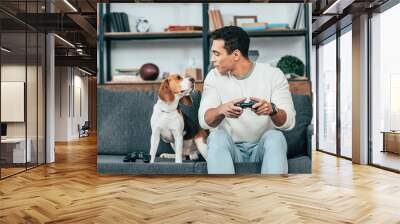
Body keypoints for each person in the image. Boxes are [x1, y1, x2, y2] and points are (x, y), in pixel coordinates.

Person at [198, 26, 296, 174]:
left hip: (261, 149)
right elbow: (204, 120)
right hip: (231, 150)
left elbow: (288, 122)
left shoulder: (273, 74)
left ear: (236, 55)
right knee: (217, 136)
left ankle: (272, 194)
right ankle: (223, 195)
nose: (212, 60)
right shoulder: (214, 77)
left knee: (276, 136)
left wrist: (272, 109)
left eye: (217, 54)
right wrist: (221, 110)